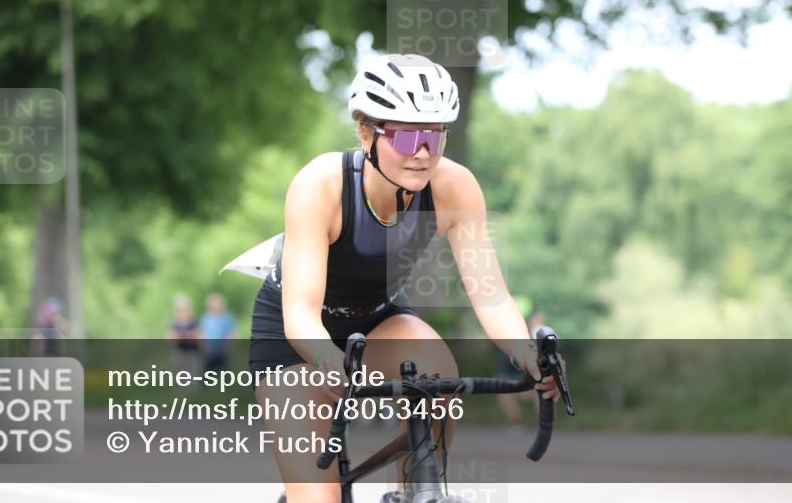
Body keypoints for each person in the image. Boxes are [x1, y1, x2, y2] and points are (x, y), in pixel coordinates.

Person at [247, 54, 562, 503]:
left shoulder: (455, 186)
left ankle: (416, 490)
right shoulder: (321, 185)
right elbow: (299, 312)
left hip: (379, 318)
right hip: (295, 335)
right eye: (407, 136)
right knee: (320, 499)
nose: (422, 153)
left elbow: (490, 296)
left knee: (437, 376)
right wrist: (329, 360)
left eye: (435, 138)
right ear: (365, 132)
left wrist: (524, 353)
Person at [495, 303, 547, 429]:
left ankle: (546, 424)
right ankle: (516, 423)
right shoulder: (502, 333)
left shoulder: (540, 335)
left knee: (543, 387)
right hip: (509, 375)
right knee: (502, 388)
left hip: (533, 375)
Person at [200, 293, 237, 371]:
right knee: (208, 371)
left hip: (223, 347)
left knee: (225, 371)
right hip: (210, 348)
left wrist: (230, 344)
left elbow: (232, 332)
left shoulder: (228, 317)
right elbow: (202, 332)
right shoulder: (205, 317)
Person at [169, 293, 202, 376]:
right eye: (179, 309)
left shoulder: (194, 322)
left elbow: (200, 336)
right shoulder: (174, 322)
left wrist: (188, 335)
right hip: (179, 352)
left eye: (183, 309)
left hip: (193, 352)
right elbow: (169, 338)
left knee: (193, 375)